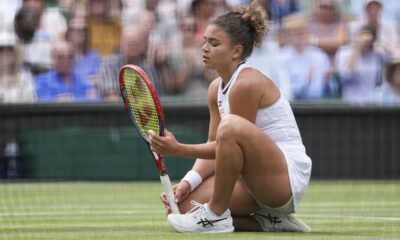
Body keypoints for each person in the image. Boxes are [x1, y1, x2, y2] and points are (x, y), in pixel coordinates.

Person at [149, 1, 312, 233]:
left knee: (231, 126)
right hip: (251, 181)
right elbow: (215, 145)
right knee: (180, 208)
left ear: (236, 51)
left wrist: (179, 149)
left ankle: (216, 214)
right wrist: (188, 182)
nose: (204, 48)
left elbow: (227, 141)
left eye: (214, 43)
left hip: (283, 181)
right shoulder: (215, 88)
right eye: (205, 40)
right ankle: (269, 221)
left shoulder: (247, 83)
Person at [280, 13, 331, 100]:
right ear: (288, 36)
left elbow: (331, 91)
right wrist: (305, 82)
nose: (302, 36)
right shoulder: (282, 58)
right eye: (297, 33)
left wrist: (327, 82)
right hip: (295, 108)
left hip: (320, 107)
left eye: (304, 32)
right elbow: (285, 92)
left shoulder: (320, 56)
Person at [335, 25, 388, 105]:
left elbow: (396, 60)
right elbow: (346, 75)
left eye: (369, 40)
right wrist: (357, 49)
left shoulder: (377, 54)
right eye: (362, 36)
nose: (365, 42)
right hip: (351, 102)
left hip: (374, 101)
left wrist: (380, 43)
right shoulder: (344, 52)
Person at [0, 31, 36, 103]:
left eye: (10, 48)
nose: (5, 52)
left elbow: (31, 104)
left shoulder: (26, 77)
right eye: (1, 49)